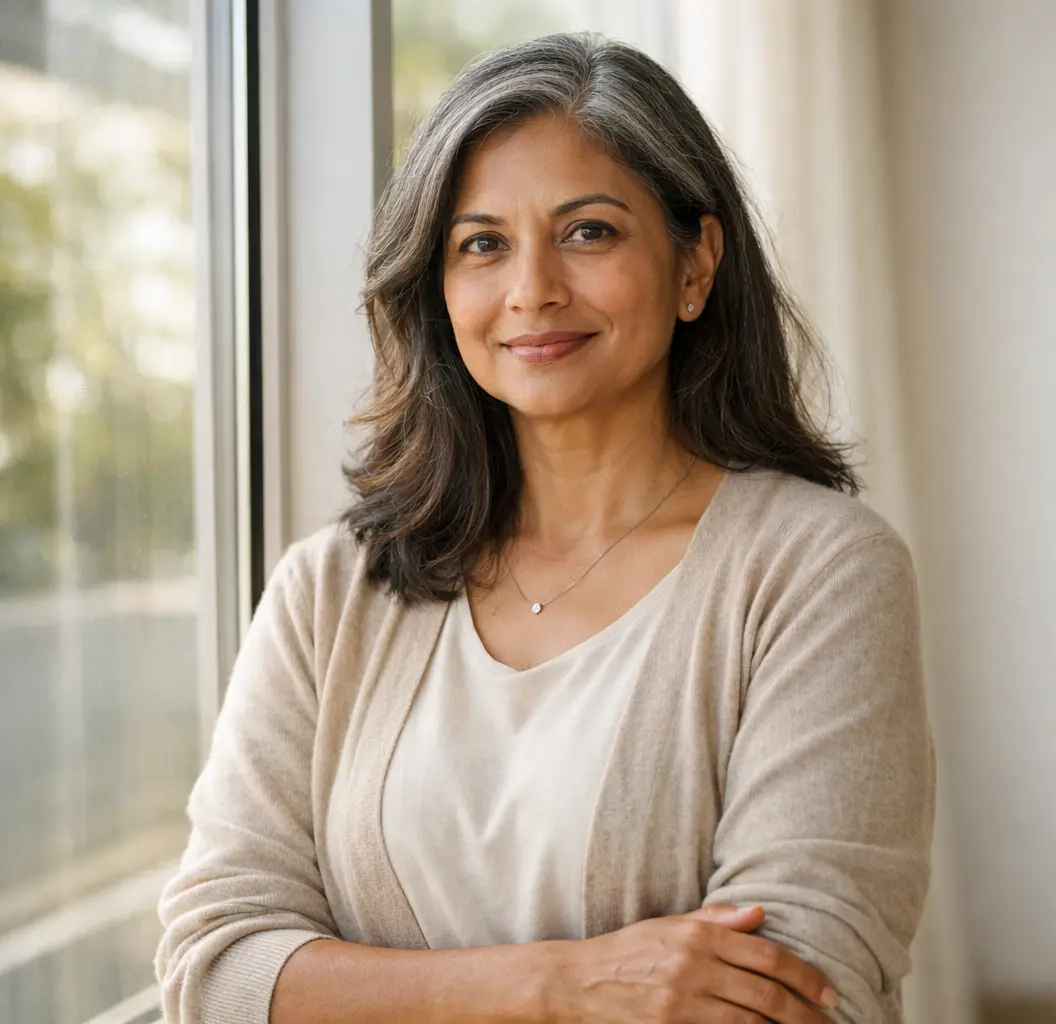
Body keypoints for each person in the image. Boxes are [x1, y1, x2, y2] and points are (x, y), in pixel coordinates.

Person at [156, 32, 935, 1024]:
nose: (532, 289)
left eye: (589, 231)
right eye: (481, 244)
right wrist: (562, 985)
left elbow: (797, 992)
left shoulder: (820, 572)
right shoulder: (329, 591)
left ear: (696, 263)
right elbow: (215, 971)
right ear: (438, 288)